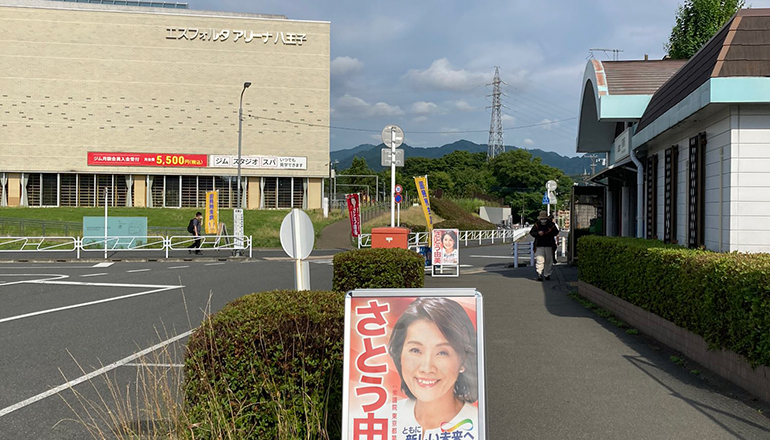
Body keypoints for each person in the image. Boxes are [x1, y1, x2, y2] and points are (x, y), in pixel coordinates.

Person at [389, 298, 478, 438]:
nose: (426, 368)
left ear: (463, 360)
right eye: (415, 350)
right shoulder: (380, 419)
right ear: (399, 354)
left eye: (442, 353)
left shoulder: (477, 426)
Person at [530, 211, 559, 281]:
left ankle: (547, 274)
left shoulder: (551, 225)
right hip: (539, 245)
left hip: (549, 245)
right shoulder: (537, 224)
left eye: (544, 218)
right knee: (539, 260)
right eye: (542, 218)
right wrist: (538, 233)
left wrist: (550, 224)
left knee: (549, 260)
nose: (543, 219)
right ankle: (539, 274)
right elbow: (532, 232)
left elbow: (556, 232)